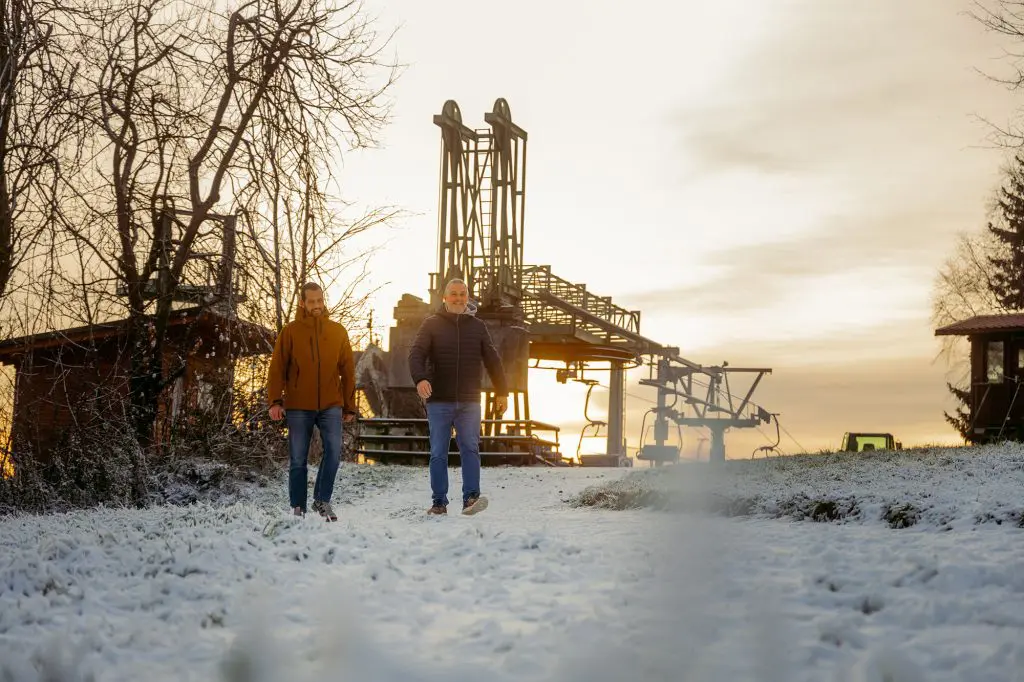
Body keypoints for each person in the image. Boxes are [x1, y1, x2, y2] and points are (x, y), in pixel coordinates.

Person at [408, 278, 508, 515]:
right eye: (453, 294)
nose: (458, 298)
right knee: (438, 452)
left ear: (468, 297)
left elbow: (493, 360)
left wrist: (502, 391)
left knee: (471, 448)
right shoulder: (431, 324)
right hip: (439, 400)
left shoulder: (478, 327)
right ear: (444, 298)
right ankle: (439, 503)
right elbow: (416, 353)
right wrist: (420, 378)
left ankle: (471, 499)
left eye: (462, 294)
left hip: (470, 400)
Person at [267, 282, 357, 521]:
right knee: (298, 458)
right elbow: (277, 368)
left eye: (320, 300)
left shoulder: (338, 331)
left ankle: (322, 500)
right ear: (303, 303)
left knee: (334, 453)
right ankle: (298, 506)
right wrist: (275, 401)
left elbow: (348, 371)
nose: (317, 305)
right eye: (312, 301)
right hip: (298, 405)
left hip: (331, 404)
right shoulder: (291, 331)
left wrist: (349, 405)